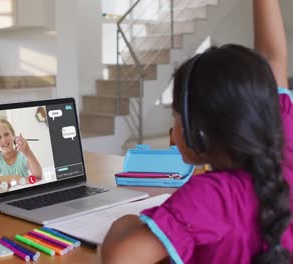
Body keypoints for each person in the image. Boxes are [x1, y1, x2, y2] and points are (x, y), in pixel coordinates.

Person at [101, 0, 292, 263]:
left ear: (198, 131)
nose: (172, 128)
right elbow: (272, 58)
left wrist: (126, 221)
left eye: (175, 115)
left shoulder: (210, 197)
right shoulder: (285, 134)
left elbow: (120, 258)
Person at [0, 119, 42, 186]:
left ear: (13, 136)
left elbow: (38, 175)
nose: (4, 139)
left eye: (6, 134)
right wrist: (16, 178)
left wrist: (28, 152)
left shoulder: (22, 155)